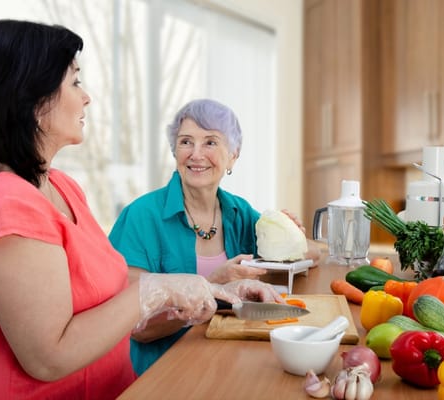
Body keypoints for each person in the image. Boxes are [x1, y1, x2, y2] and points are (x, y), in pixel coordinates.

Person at [0, 20, 283, 399]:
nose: (87, 97)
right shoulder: (9, 203)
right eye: (75, 82)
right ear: (31, 100)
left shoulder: (61, 185)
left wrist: (211, 287)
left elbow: (112, 301)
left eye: (211, 142)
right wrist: (157, 288)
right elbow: (49, 358)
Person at [109, 98, 320, 375]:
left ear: (233, 155)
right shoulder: (140, 217)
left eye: (210, 142)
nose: (196, 154)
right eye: (186, 142)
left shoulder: (238, 211)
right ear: (175, 151)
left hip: (227, 361)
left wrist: (292, 236)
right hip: (160, 374)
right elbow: (137, 328)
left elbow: (314, 253)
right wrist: (211, 284)